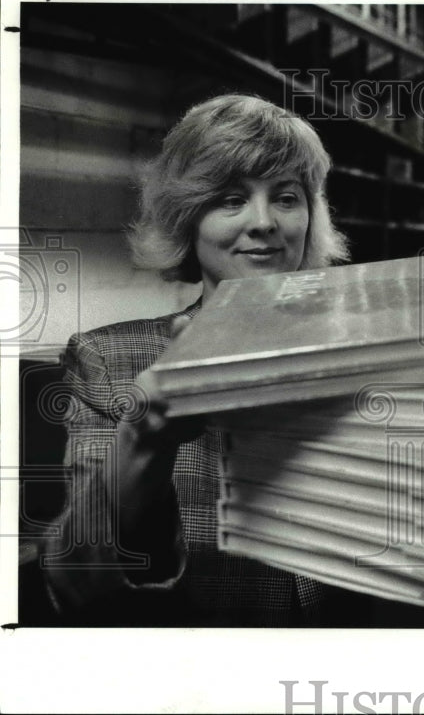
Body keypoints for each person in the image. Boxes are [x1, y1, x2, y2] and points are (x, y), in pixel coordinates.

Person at [42, 94, 363, 626]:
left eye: (286, 197)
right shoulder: (107, 361)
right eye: (231, 200)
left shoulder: (365, 352)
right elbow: (76, 582)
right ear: (188, 218)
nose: (264, 222)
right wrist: (145, 440)